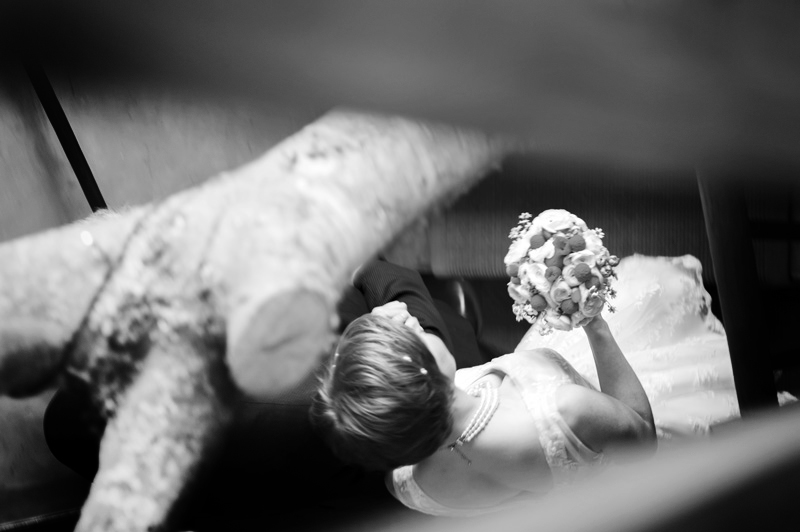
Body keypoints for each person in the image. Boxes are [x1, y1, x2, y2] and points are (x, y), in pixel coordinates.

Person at [310, 253, 748, 517]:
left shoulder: (407, 481)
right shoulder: (564, 409)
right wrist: (594, 324)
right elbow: (641, 436)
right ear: (429, 372)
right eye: (410, 331)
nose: (402, 313)